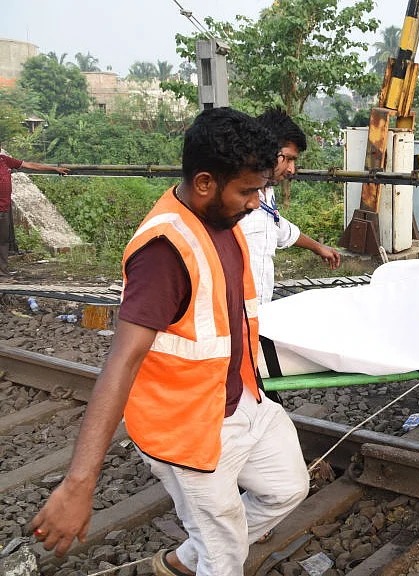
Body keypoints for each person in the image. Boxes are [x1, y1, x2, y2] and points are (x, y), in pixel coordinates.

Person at [29, 108, 310, 576]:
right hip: (187, 428)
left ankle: (184, 560)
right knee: (225, 556)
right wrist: (80, 483)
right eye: (247, 190)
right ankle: (205, 556)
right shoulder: (163, 252)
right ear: (204, 183)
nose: (256, 202)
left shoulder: (221, 221)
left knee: (288, 489)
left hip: (241, 401)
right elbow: (122, 361)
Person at [240, 108, 341, 306]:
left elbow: (278, 226)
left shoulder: (266, 192)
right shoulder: (236, 200)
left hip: (258, 310)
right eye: (287, 158)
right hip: (233, 315)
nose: (291, 169)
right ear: (266, 149)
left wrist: (317, 247)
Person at [0, 142, 70, 276]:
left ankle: (2, 272)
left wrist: (54, 169)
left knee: (3, 242)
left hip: (3, 209)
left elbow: (30, 165)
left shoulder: (4, 160)